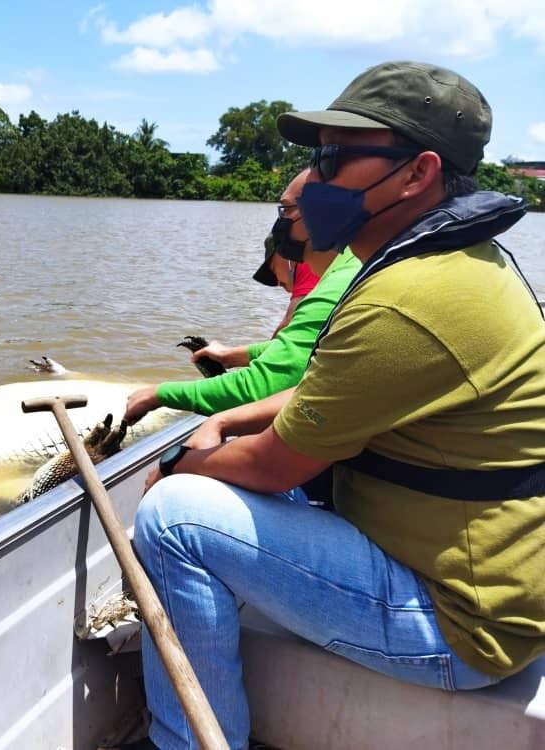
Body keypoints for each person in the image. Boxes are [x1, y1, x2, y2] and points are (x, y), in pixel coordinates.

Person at [133, 62, 545, 750]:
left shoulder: (408, 298)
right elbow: (341, 387)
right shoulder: (460, 263)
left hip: (461, 626)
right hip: (487, 584)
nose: (315, 180)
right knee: (224, 477)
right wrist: (231, 417)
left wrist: (180, 464)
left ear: (417, 175)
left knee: (173, 516)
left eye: (333, 158)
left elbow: (270, 469)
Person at [124, 169, 360, 425]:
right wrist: (231, 355)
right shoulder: (350, 264)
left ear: (322, 214)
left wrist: (157, 393)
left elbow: (259, 389)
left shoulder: (335, 286)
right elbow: (301, 349)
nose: (280, 223)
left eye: (285, 210)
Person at [252, 236, 321, 336]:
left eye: (273, 270)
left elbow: (286, 327)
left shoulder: (306, 265)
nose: (278, 282)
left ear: (280, 256)